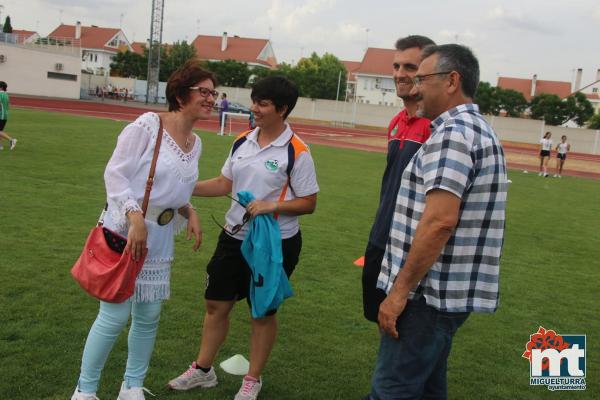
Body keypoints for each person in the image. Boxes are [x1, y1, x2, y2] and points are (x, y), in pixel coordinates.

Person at [366, 44, 507, 400]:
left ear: (451, 81)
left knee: (392, 390)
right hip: (443, 297)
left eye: (422, 78)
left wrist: (399, 293)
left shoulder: (453, 135)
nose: (415, 86)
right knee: (428, 388)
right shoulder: (477, 129)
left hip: (426, 297)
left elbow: (439, 222)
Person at [71, 60, 217, 400]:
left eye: (214, 93)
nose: (211, 98)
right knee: (114, 313)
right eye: (204, 92)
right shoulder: (148, 126)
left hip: (160, 236)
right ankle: (85, 391)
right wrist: (135, 217)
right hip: (126, 228)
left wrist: (189, 209)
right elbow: (115, 174)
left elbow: (176, 189)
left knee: (148, 314)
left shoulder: (195, 143)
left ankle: (132, 386)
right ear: (181, 95)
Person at [168, 76, 319, 400]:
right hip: (233, 236)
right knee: (215, 303)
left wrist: (272, 205)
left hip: (275, 244)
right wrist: (182, 185)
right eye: (254, 101)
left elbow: (309, 202)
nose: (254, 109)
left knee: (262, 311)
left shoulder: (297, 151)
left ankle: (252, 379)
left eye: (262, 104)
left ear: (282, 109)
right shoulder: (242, 141)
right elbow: (225, 183)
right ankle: (203, 371)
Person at [362, 35, 435, 323]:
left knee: (407, 328)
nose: (399, 74)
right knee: (380, 319)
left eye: (409, 66)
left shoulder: (437, 127)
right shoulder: (396, 122)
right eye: (396, 66)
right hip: (380, 238)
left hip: (410, 247)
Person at [0, 81, 17, 151]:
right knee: (0, 131)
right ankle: (0, 146)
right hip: (5, 115)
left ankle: (11, 140)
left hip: (1, 115)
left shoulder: (0, 94)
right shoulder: (6, 95)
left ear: (1, 87)